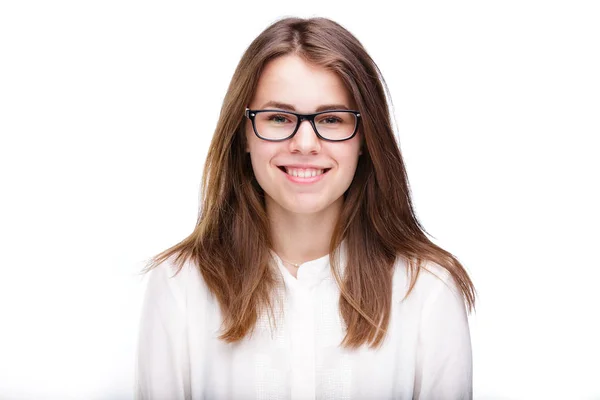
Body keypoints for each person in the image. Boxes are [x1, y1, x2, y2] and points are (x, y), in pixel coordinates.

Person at [135, 16, 475, 400]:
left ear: (364, 139)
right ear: (244, 133)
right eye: (279, 118)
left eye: (331, 119)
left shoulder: (427, 291)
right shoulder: (179, 286)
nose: (305, 143)